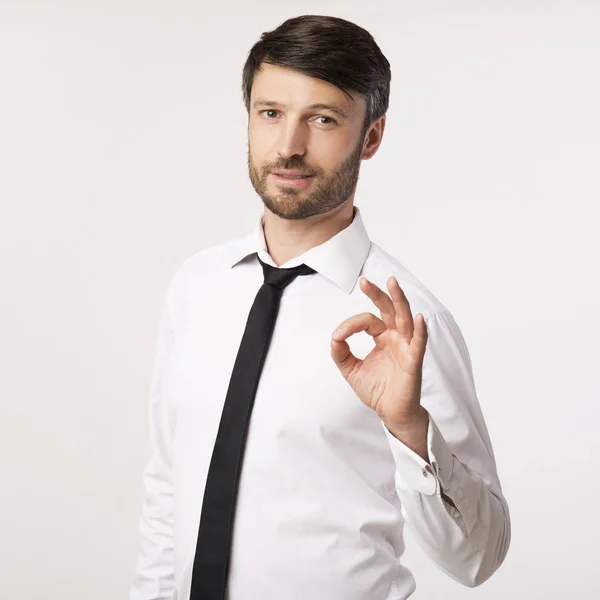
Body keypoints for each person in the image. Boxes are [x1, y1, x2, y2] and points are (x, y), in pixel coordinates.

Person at [129, 14, 511, 600]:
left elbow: (478, 559)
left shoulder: (407, 323)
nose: (289, 146)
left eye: (323, 119)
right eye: (271, 113)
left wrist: (410, 429)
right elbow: (167, 493)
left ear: (372, 136)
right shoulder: (197, 286)